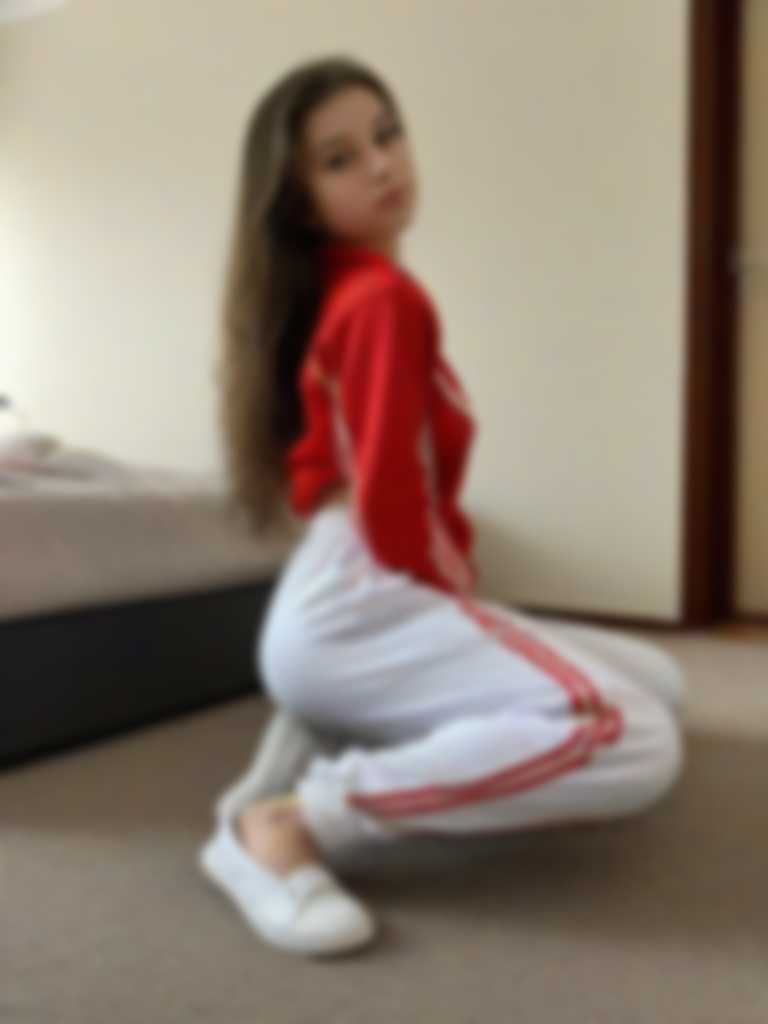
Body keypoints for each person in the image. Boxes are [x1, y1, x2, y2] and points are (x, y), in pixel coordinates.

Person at [199, 54, 687, 958]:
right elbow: (393, 499)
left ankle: (319, 726)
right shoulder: (382, 298)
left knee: (660, 678)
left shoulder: (345, 292)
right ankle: (292, 822)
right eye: (340, 159)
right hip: (361, 597)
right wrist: (456, 591)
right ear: (299, 200)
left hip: (336, 606)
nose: (383, 164)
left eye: (387, 135)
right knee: (632, 732)